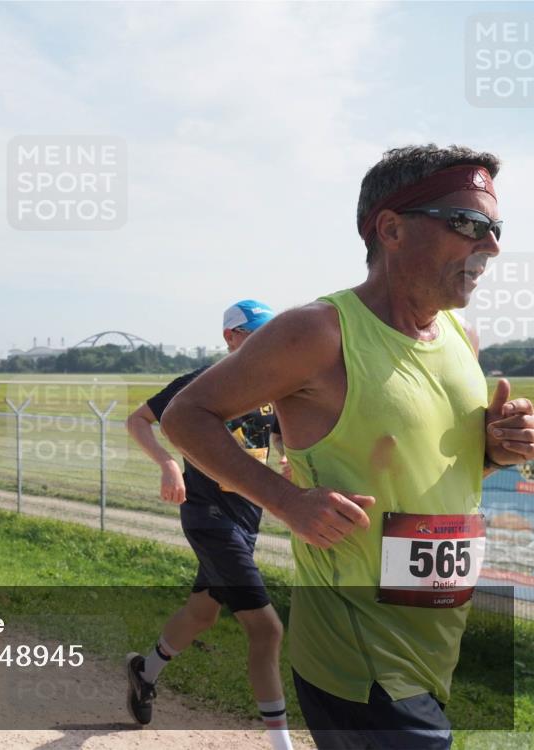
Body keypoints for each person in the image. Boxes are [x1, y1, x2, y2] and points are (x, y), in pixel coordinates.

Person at [160, 145, 534, 749]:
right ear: (391, 229)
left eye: (497, 228)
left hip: (433, 644)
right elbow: (185, 416)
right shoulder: (318, 331)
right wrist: (288, 502)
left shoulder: (461, 337)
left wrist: (496, 450)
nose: (490, 246)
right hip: (356, 656)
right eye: (468, 224)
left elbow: (424, 469)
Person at [125, 300, 293, 750]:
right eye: (255, 333)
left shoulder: (272, 387)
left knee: (202, 613)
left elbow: (278, 438)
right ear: (231, 337)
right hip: (209, 518)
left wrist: (287, 459)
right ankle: (282, 744)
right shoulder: (199, 384)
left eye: (270, 333)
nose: (265, 342)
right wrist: (168, 465)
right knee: (267, 629)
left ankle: (144, 673)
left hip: (248, 517)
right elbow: (138, 420)